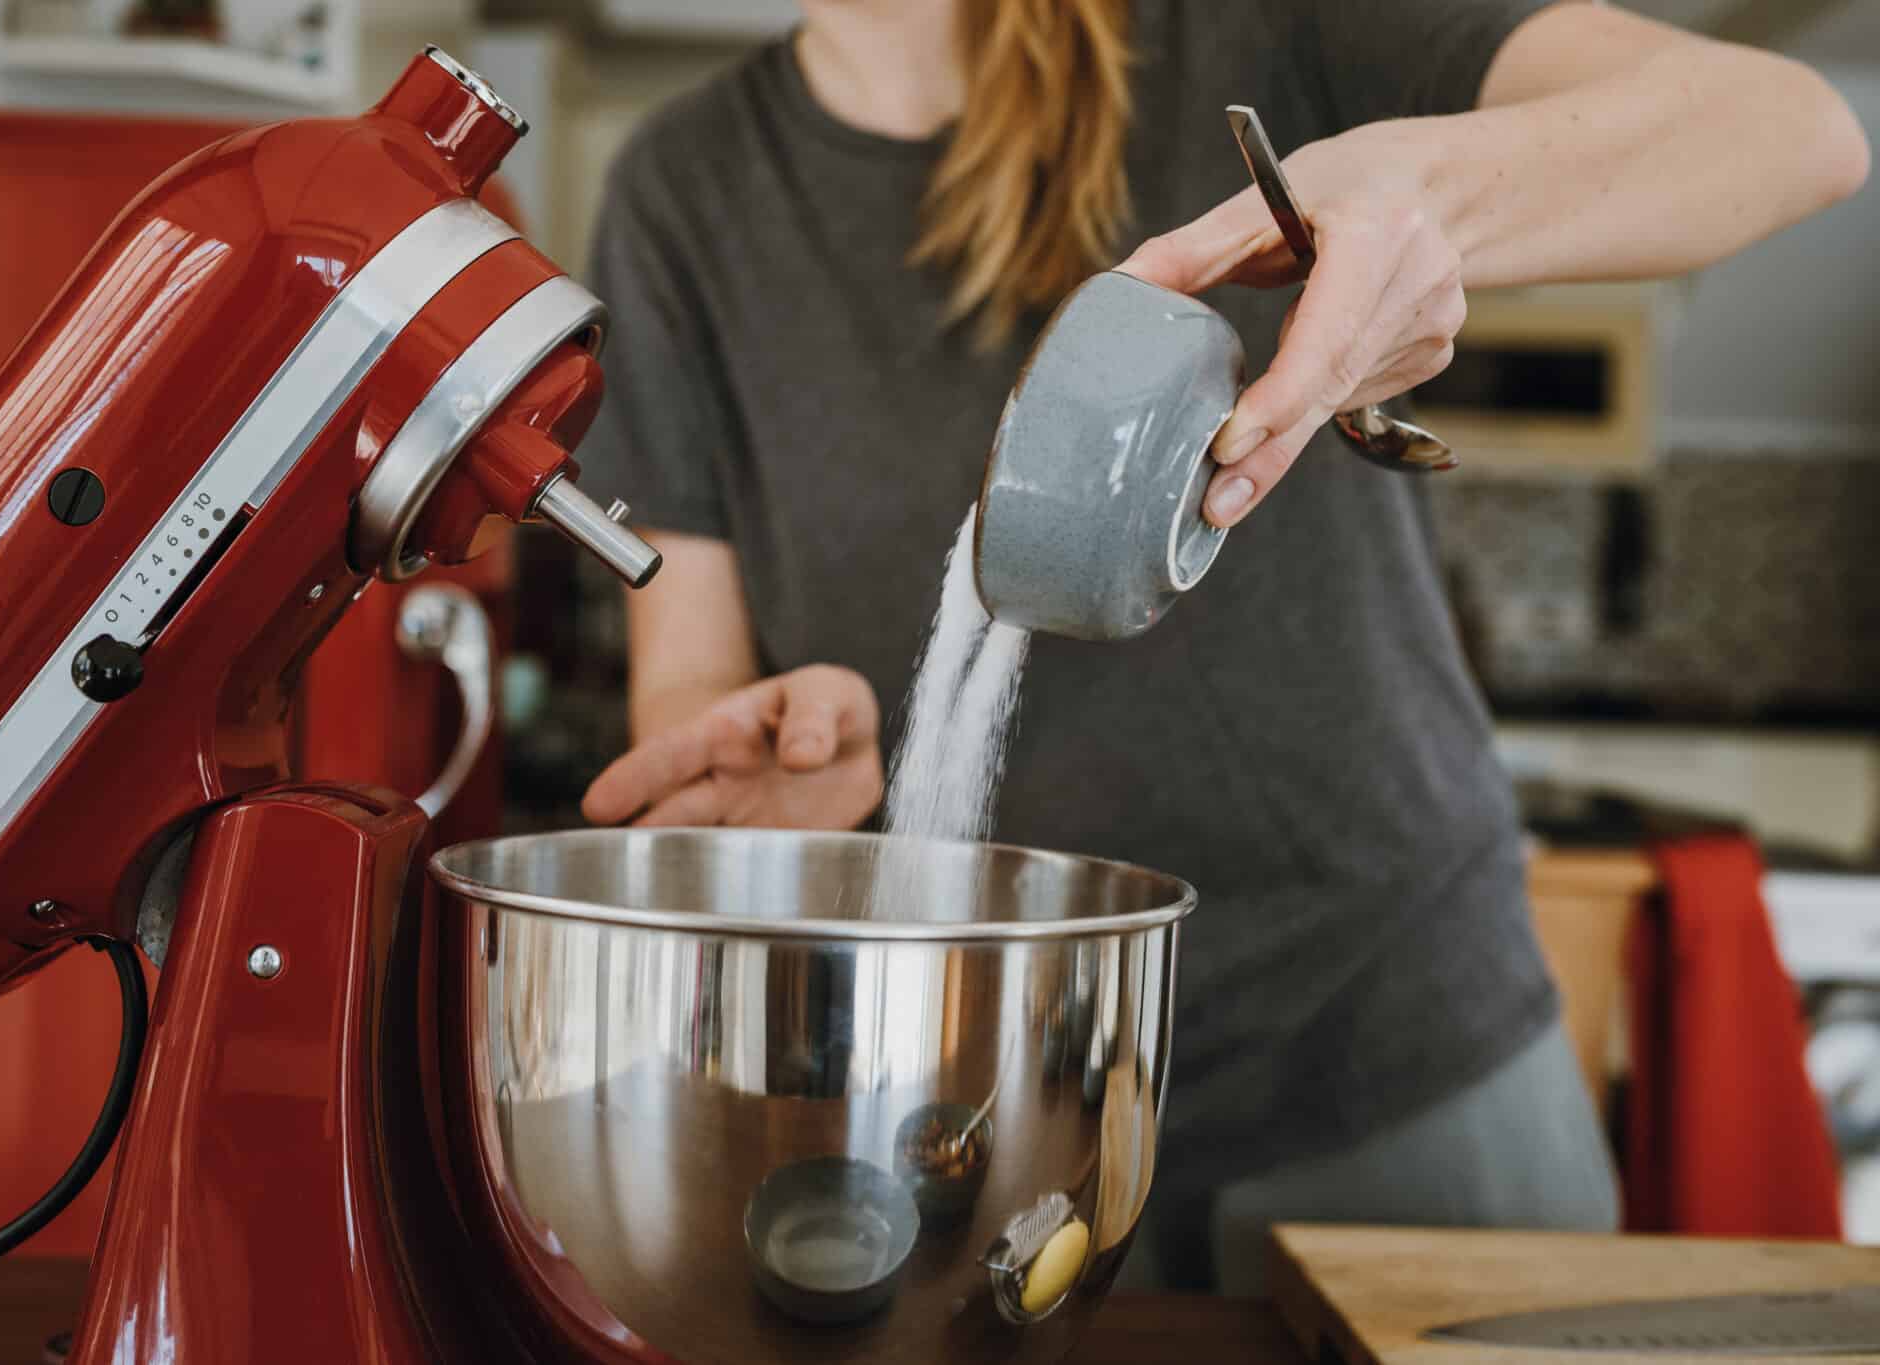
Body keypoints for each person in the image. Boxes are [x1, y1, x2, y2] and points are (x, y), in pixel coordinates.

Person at [571, 0, 1869, 1294]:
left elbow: (1794, 133)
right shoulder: (682, 192)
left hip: (1394, 1052)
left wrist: (1423, 198)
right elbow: (688, 677)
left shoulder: (1249, 29)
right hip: (994, 1107)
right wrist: (773, 769)